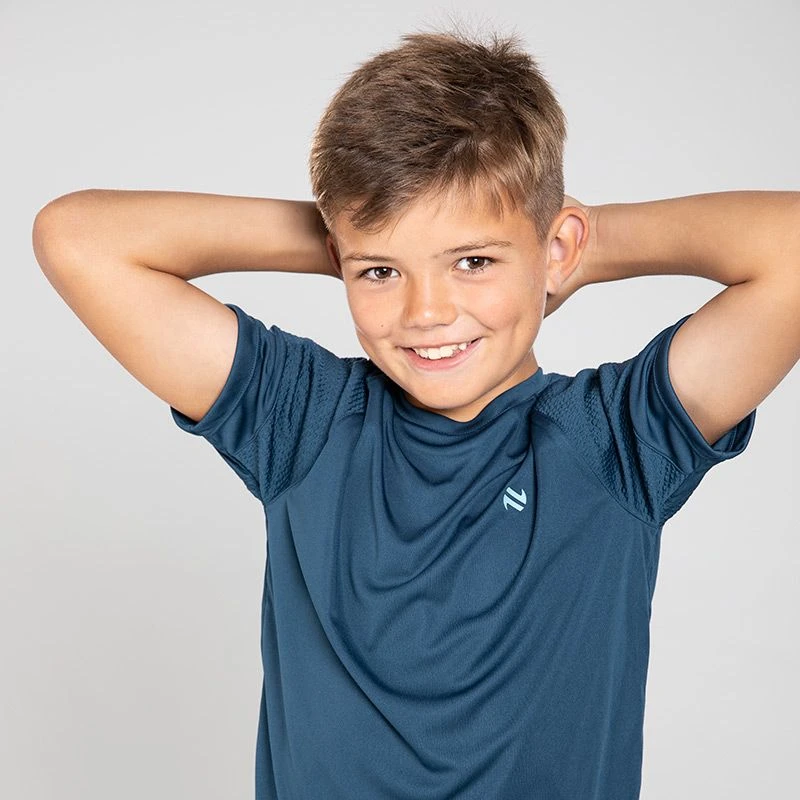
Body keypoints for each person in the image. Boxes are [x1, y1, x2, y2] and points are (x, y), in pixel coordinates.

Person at [31, 24, 799, 800]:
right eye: (381, 272)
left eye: (474, 260)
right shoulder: (305, 421)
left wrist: (578, 242)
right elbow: (78, 236)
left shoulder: (614, 443)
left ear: (558, 250)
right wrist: (349, 231)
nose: (426, 312)